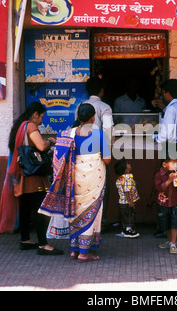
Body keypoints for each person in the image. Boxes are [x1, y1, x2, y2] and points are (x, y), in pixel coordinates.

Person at [0, 101, 63, 255]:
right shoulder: (31, 126)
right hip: (33, 174)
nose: (42, 120)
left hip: (22, 174)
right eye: (41, 117)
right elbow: (41, 146)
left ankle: (25, 240)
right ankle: (43, 245)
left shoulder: (19, 126)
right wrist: (51, 141)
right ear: (35, 114)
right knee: (40, 207)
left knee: (25, 207)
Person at [71, 103, 111, 262]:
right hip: (94, 177)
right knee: (92, 211)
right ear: (93, 117)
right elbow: (107, 160)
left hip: (75, 176)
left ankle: (74, 249)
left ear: (78, 117)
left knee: (76, 209)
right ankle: (84, 252)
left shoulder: (71, 133)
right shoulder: (99, 134)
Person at [76, 77, 114, 233]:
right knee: (101, 190)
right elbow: (108, 130)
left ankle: (80, 224)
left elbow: (76, 127)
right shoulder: (105, 107)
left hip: (80, 156)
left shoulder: (79, 106)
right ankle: (100, 223)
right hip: (98, 154)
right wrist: (107, 149)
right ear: (101, 90)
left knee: (80, 193)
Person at [153, 79, 177, 169]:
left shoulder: (171, 109)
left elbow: (166, 133)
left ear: (167, 94)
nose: (163, 96)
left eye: (163, 93)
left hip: (170, 147)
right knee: (176, 174)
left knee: (167, 174)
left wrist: (156, 138)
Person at [155, 156, 177, 254]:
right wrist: (168, 181)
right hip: (163, 203)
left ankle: (173, 243)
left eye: (176, 163)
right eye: (173, 163)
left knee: (174, 223)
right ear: (164, 164)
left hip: (174, 202)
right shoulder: (159, 175)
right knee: (166, 223)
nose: (175, 166)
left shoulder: (175, 173)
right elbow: (159, 188)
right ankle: (169, 241)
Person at [114, 159, 140, 238]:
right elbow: (127, 190)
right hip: (126, 202)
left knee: (124, 216)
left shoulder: (120, 178)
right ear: (126, 169)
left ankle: (124, 229)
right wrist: (130, 201)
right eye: (128, 164)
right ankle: (129, 230)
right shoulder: (127, 178)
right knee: (129, 216)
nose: (130, 164)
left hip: (122, 201)